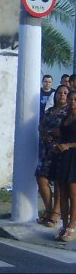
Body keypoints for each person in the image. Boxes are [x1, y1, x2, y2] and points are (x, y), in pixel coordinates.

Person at [36, 84, 69, 228]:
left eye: (65, 93)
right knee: (41, 178)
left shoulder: (69, 113)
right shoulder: (50, 111)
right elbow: (41, 126)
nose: (62, 95)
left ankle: (56, 213)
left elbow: (66, 130)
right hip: (46, 150)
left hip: (61, 151)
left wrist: (57, 133)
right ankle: (48, 209)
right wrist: (47, 133)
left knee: (59, 183)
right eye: (59, 93)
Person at [53, 90, 76, 242]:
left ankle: (72, 226)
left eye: (75, 99)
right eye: (71, 99)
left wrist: (68, 145)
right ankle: (64, 224)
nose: (73, 101)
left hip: (74, 156)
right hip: (63, 156)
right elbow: (59, 134)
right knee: (62, 192)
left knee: (73, 193)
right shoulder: (65, 118)